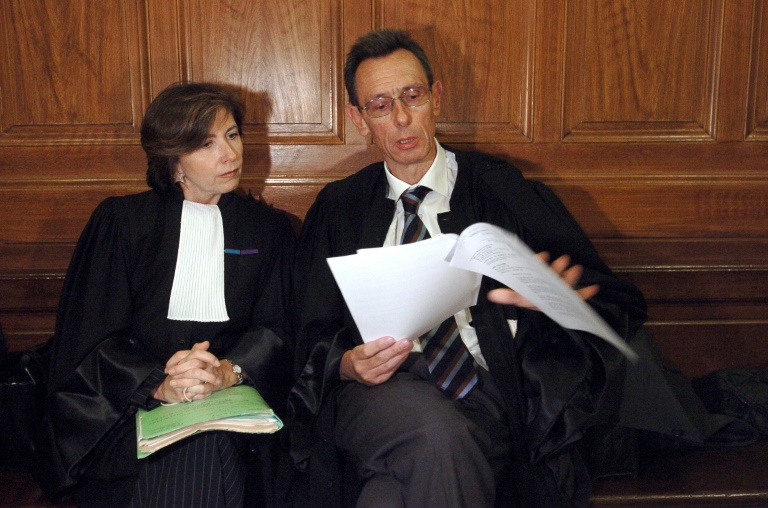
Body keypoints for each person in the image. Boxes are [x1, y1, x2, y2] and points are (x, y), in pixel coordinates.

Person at [284, 30, 649, 507]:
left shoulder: (504, 190)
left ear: (436, 98)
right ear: (358, 119)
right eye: (379, 105)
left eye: (412, 96)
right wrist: (347, 363)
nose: (400, 117)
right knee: (439, 434)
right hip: (379, 395)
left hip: (493, 390)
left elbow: (611, 301)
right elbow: (307, 329)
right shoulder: (339, 208)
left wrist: (550, 298)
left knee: (390, 494)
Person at [33, 82, 296, 507]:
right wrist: (158, 384)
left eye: (232, 135)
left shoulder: (269, 230)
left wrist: (228, 372)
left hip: (235, 402)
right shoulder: (122, 222)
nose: (229, 154)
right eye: (206, 144)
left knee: (213, 443)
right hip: (122, 411)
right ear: (174, 161)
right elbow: (90, 338)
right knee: (197, 450)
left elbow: (278, 329)